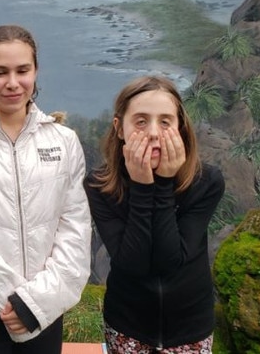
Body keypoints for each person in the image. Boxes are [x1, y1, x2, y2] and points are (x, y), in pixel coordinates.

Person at [0, 24, 92, 354]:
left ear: (35, 71)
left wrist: (36, 304)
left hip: (45, 312)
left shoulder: (63, 142)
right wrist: (16, 305)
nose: (12, 83)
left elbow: (75, 233)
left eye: (22, 70)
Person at [83, 75, 225, 353]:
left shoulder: (206, 182)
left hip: (190, 328)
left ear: (180, 128)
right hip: (127, 325)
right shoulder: (100, 186)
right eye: (140, 121)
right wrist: (142, 186)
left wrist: (162, 185)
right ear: (119, 128)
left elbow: (170, 260)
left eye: (165, 121)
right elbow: (131, 262)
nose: (153, 132)